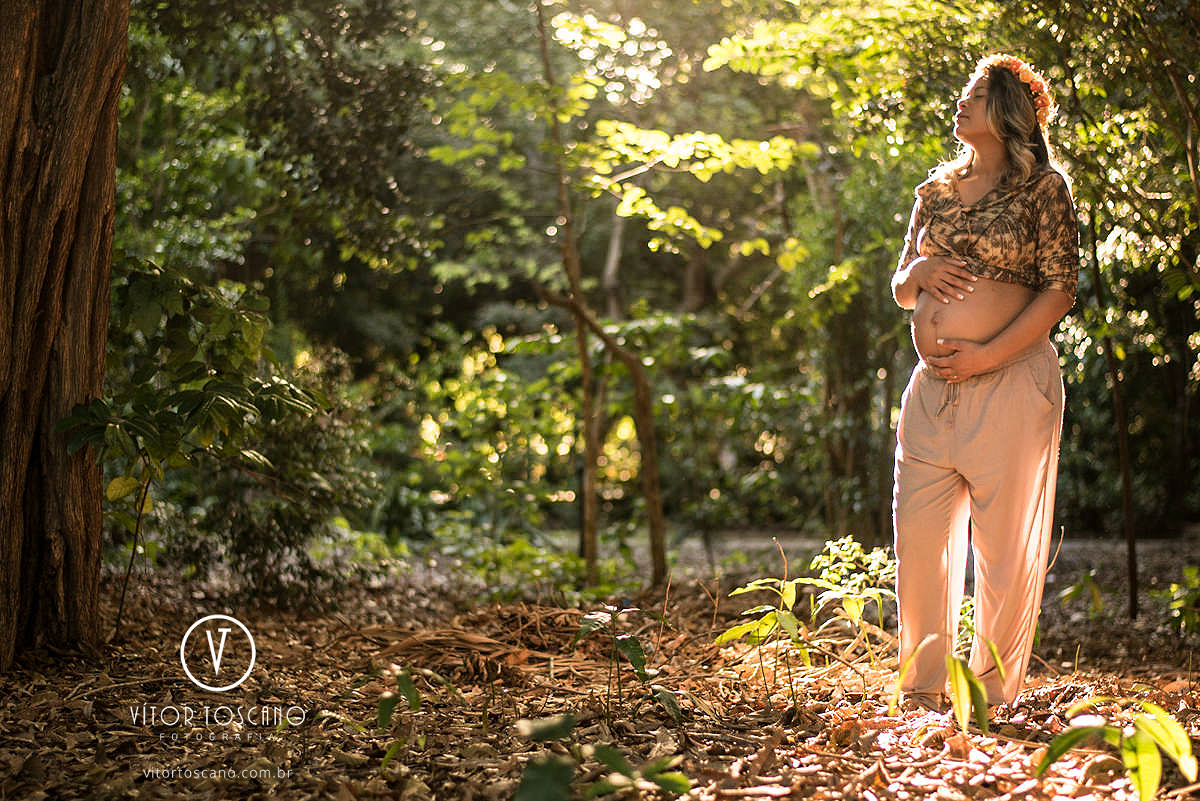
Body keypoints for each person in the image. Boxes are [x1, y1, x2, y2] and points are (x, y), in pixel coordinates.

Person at [889, 53, 1079, 712]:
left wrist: (988, 354)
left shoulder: (1043, 190)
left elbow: (1059, 291)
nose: (960, 103)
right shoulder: (934, 190)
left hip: (1011, 383)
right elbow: (901, 286)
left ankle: (989, 700)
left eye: (973, 94)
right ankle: (922, 690)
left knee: (1002, 555)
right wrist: (921, 273)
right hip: (934, 388)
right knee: (918, 540)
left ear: (1005, 111)